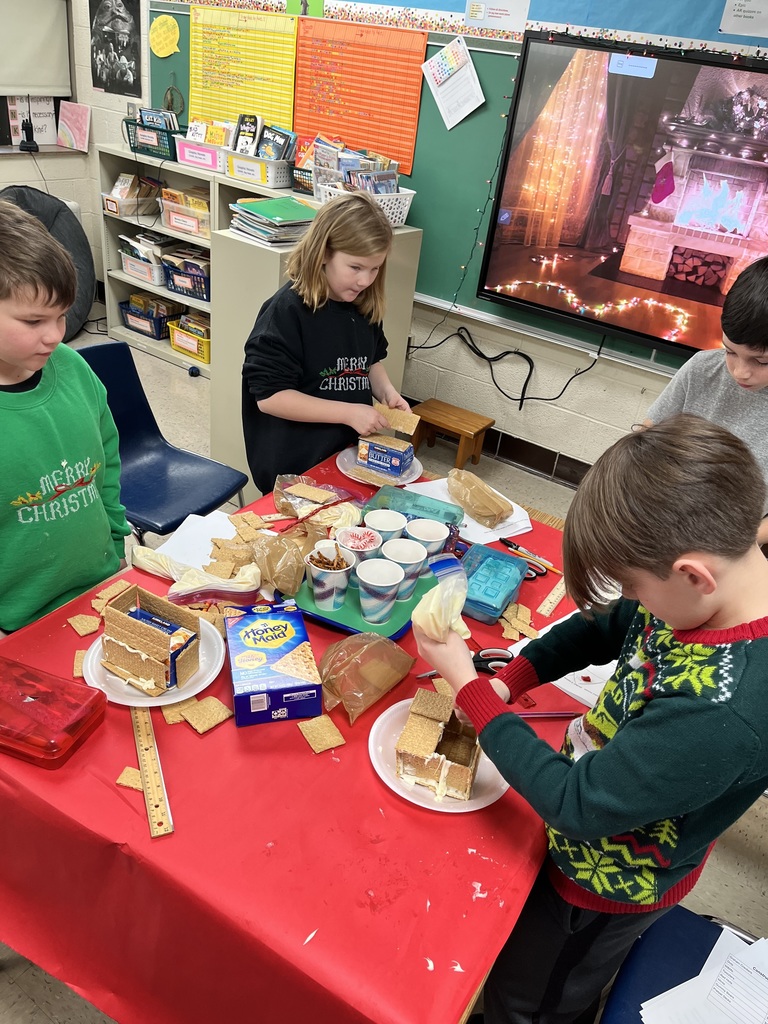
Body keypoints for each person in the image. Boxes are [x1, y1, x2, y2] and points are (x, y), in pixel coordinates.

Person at [413, 414, 768, 1024]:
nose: (633, 600)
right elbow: (612, 622)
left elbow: (579, 802)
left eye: (635, 583)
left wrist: (470, 688)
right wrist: (512, 678)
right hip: (603, 802)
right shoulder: (705, 592)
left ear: (691, 575)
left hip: (606, 884)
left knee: (539, 996)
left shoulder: (726, 711)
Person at [0, 200, 131, 632]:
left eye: (61, 315)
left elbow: (106, 461)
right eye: (34, 320)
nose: (56, 335)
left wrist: (115, 536)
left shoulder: (73, 369)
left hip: (103, 586)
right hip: (20, 626)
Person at [241, 191, 410, 495]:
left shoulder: (363, 304)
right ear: (323, 254)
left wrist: (386, 392)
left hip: (344, 455)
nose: (365, 281)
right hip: (296, 465)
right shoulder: (286, 312)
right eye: (355, 268)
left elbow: (369, 360)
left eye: (375, 269)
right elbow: (270, 398)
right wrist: (350, 413)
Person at [645, 255, 768, 542]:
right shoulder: (702, 368)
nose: (740, 372)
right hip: (667, 523)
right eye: (730, 351)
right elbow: (648, 438)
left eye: (761, 361)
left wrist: (742, 543)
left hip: (743, 545)